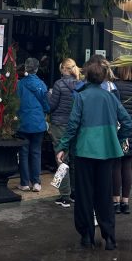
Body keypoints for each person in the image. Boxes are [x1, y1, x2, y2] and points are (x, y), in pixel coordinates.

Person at [55, 55, 132, 250]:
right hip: (107, 152)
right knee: (104, 195)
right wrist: (118, 138)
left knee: (84, 195)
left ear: (86, 76)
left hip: (84, 151)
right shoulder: (110, 98)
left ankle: (87, 237)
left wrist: (63, 146)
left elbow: (72, 125)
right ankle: (109, 238)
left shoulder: (80, 97)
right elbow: (127, 122)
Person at [48, 58, 80, 208]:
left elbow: (52, 106)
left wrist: (49, 95)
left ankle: (64, 195)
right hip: (74, 125)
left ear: (63, 69)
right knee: (72, 159)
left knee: (61, 159)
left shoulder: (59, 84)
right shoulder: (80, 85)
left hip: (59, 124)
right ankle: (74, 192)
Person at [17, 57, 50, 192]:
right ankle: (36, 183)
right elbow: (46, 104)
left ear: (25, 68)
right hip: (38, 123)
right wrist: (47, 112)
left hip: (23, 122)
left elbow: (16, 103)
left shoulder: (20, 84)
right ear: (37, 69)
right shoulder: (42, 84)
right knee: (36, 152)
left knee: (23, 153)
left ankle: (25, 183)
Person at [112, 64, 132, 214]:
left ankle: (115, 201)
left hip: (119, 130)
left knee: (116, 165)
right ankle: (126, 202)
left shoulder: (115, 87)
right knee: (127, 166)